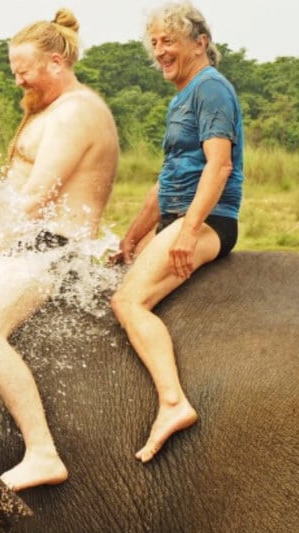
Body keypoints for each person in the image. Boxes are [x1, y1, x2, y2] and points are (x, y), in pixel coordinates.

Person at [0, 8, 119, 491]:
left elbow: (34, 199)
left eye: (24, 70)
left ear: (56, 62)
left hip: (51, 248)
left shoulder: (77, 112)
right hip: (30, 247)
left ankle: (42, 452)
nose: (18, 80)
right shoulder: (53, 110)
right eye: (14, 70)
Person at [110, 2, 243, 463]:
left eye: (169, 41)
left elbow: (219, 165)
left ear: (200, 43)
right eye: (154, 43)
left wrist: (188, 231)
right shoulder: (182, 97)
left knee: (127, 302)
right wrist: (131, 237)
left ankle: (172, 402)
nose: (159, 51)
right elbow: (166, 180)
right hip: (179, 216)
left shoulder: (210, 89)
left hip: (207, 219)